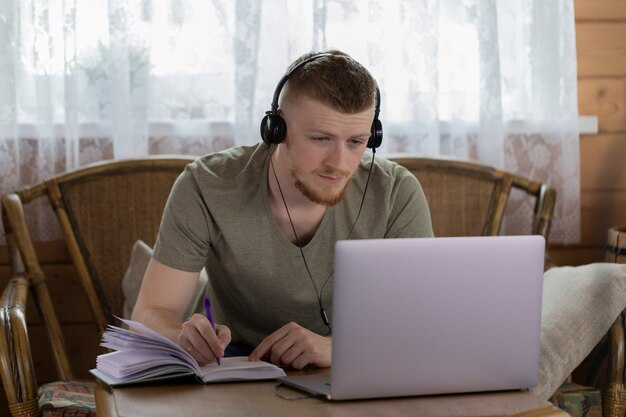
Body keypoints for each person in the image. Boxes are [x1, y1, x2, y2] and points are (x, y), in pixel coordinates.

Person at [132, 49, 433, 370]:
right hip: (232, 364)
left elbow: (423, 327)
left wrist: (338, 349)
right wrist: (180, 338)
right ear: (276, 128)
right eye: (321, 138)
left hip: (351, 361)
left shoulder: (396, 192)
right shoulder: (206, 184)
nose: (339, 164)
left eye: (356, 142)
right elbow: (152, 311)